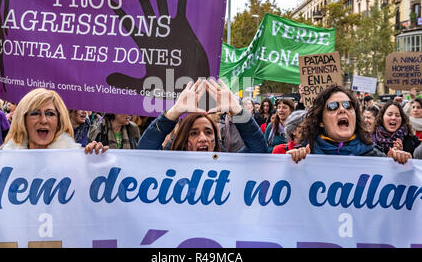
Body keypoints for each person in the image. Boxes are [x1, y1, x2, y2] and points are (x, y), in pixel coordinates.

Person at [286, 85, 411, 164]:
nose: (342, 109)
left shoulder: (374, 156)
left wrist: (396, 165)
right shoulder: (306, 156)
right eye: (332, 106)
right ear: (321, 122)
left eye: (348, 105)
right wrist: (290, 165)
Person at [136, 79, 267, 153]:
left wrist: (237, 111)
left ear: (216, 139)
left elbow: (258, 149)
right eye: (193, 133)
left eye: (209, 132)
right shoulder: (169, 163)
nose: (203, 138)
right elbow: (144, 153)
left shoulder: (227, 165)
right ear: (182, 139)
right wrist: (175, 111)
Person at [0, 88, 81, 150]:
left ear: (59, 122)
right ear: (23, 120)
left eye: (50, 114)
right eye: (35, 113)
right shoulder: (2, 160)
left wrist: (92, 159)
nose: (43, 120)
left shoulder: (76, 160)